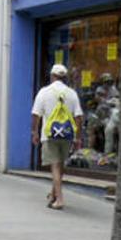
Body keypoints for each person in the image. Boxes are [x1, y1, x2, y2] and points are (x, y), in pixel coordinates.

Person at [31, 64, 84, 210]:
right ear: (64, 77)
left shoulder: (44, 92)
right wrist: (78, 137)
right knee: (60, 166)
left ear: (52, 76)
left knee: (54, 166)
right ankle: (54, 194)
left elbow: (36, 114)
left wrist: (34, 132)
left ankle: (59, 199)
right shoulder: (72, 93)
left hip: (49, 134)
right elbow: (79, 116)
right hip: (67, 135)